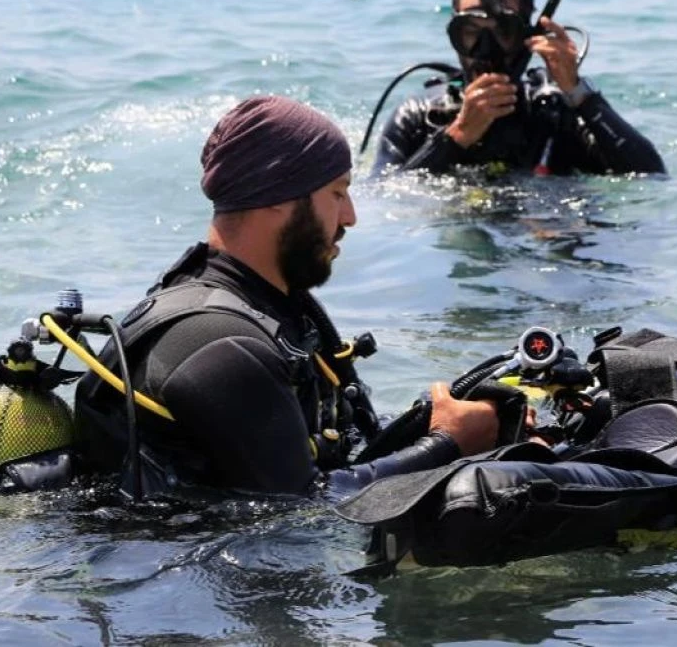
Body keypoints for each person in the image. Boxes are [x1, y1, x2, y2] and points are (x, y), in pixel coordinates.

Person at [74, 95, 500, 498]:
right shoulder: (220, 344)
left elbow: (329, 451)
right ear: (277, 195)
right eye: (337, 193)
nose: (350, 216)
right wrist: (447, 444)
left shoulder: (265, 306)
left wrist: (438, 421)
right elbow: (306, 506)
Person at [370, 0, 667, 177]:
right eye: (472, 32)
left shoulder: (553, 111)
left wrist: (579, 93)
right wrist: (457, 135)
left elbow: (649, 174)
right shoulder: (420, 115)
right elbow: (385, 196)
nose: (486, 50)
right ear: (455, 37)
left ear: (528, 38)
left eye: (503, 32)